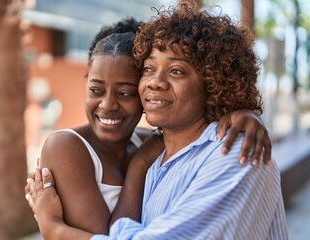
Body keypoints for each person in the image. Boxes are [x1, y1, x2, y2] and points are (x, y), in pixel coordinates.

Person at [25, 6, 282, 238]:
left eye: (176, 71)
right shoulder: (158, 158)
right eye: (148, 69)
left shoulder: (238, 151)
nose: (155, 81)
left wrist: (54, 229)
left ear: (215, 83)